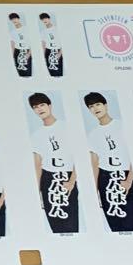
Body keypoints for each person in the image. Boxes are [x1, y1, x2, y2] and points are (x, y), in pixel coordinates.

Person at [85, 92, 133, 233]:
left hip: (124, 175)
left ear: (106, 105)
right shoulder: (92, 134)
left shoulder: (123, 126)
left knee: (129, 221)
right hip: (105, 178)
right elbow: (94, 164)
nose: (95, 108)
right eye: (91, 106)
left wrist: (129, 180)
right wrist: (95, 190)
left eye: (98, 104)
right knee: (113, 222)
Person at [29, 92, 79, 234]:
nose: (39, 109)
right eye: (35, 107)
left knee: (71, 223)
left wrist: (72, 181)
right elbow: (37, 165)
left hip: (67, 176)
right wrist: (38, 191)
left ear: (50, 106)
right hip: (48, 178)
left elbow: (78, 156)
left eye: (42, 105)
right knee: (55, 224)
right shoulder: (36, 135)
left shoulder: (67, 127)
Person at [9, 12, 33, 77]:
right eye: (12, 19)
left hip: (26, 51)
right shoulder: (12, 32)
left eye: (15, 18)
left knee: (28, 72)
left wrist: (29, 53)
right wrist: (13, 56)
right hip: (17, 52)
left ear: (18, 18)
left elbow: (32, 42)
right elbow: (12, 44)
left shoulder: (27, 29)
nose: (14, 20)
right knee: (20, 73)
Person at [39, 12, 64, 77]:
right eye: (42, 19)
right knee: (51, 72)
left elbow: (63, 42)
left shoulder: (57, 29)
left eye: (45, 18)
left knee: (60, 71)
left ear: (49, 18)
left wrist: (60, 53)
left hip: (58, 50)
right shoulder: (43, 32)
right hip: (48, 51)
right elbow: (43, 44)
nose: (44, 20)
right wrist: (44, 55)